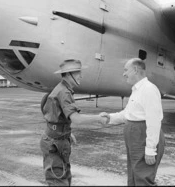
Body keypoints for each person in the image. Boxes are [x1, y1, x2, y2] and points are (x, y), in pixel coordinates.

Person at [40, 59, 109, 186]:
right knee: (58, 181)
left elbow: (53, 114)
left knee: (64, 178)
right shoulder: (64, 92)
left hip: (57, 138)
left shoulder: (62, 89)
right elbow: (76, 118)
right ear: (68, 74)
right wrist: (98, 118)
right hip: (55, 143)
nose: (81, 75)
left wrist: (66, 132)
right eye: (78, 72)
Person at [100, 58, 165, 186]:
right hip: (135, 138)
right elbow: (128, 113)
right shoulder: (137, 90)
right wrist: (110, 118)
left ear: (135, 70)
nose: (124, 74)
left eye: (126, 70)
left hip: (143, 137)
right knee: (134, 177)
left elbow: (154, 121)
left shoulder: (149, 89)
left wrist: (151, 149)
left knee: (143, 178)